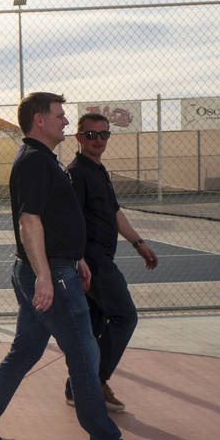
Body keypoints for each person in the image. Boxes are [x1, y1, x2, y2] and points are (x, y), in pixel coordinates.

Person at [0, 92, 156, 440]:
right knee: (84, 353)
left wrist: (76, 256)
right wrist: (46, 277)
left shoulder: (45, 161)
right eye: (60, 116)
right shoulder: (35, 162)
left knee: (25, 352)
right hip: (51, 275)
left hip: (57, 267)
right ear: (39, 121)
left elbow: (54, 220)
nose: (66, 122)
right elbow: (29, 221)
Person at [63, 113, 159, 412]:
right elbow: (70, 221)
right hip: (94, 262)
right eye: (92, 135)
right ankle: (94, 382)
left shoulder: (99, 170)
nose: (99, 140)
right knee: (125, 317)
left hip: (102, 258)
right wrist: (79, 261)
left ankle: (76, 388)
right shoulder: (76, 173)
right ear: (79, 138)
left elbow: (115, 211)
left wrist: (138, 243)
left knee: (94, 326)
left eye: (104, 134)